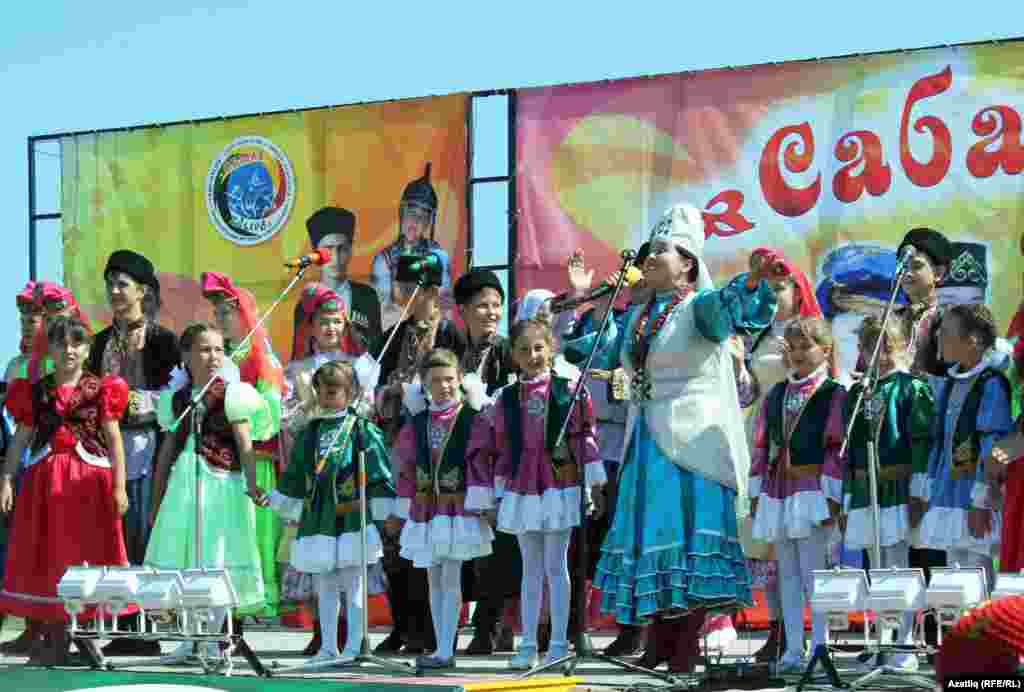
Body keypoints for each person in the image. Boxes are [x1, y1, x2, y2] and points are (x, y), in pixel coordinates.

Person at [581, 204, 776, 674]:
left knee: (686, 541)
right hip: (647, 438)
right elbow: (594, 352)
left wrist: (752, 281)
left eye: (662, 250)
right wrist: (588, 304)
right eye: (649, 249)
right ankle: (658, 644)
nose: (650, 257)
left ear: (688, 263)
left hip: (693, 445)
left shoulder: (699, 307)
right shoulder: (639, 314)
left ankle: (686, 646)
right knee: (652, 540)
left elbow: (731, 307)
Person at [473, 318, 605, 669]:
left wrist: (593, 483)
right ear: (513, 355)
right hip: (521, 486)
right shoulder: (505, 398)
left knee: (556, 565)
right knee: (530, 568)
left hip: (559, 483)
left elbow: (585, 436)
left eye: (538, 348)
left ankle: (558, 644)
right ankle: (528, 645)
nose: (532, 355)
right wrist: (496, 495)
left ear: (551, 348)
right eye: (524, 350)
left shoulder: (569, 390)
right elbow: (500, 448)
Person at [0, 317, 131, 666]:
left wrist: (119, 486)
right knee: (51, 555)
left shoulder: (100, 389)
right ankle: (56, 635)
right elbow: (21, 440)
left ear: (87, 350)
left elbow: (115, 440)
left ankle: (81, 635)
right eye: (61, 344)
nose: (69, 350)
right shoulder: (35, 391)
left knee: (86, 552)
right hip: (46, 484)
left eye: (76, 343)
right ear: (50, 350)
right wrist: (7, 479)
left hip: (89, 484)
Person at [146, 323, 273, 662]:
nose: (213, 356)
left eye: (218, 349)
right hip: (185, 485)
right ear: (186, 356)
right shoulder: (177, 399)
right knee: (188, 555)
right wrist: (156, 500)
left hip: (221, 485)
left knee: (217, 557)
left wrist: (252, 485)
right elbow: (167, 451)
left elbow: (245, 443)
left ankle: (216, 638)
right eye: (204, 349)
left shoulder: (233, 394)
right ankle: (190, 639)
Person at [269, 360, 398, 665]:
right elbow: (296, 471)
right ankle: (328, 647)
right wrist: (281, 498)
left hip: (352, 516)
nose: (326, 397)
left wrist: (385, 510)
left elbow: (379, 470)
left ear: (350, 392)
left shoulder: (362, 429)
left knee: (353, 583)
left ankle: (354, 646)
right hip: (319, 518)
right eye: (321, 391)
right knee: (324, 584)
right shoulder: (310, 431)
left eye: (333, 391)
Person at [86, 250, 180, 657]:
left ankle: (145, 628)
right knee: (115, 537)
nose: (114, 291)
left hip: (146, 447)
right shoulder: (99, 342)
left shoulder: (163, 341)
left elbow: (180, 395)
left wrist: (150, 402)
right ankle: (122, 624)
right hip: (105, 449)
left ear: (142, 291)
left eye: (122, 284)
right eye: (110, 284)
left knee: (142, 533)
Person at [732, 248, 823, 663]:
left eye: (780, 288)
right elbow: (746, 395)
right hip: (762, 439)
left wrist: (793, 366)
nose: (773, 295)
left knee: (805, 546)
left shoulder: (812, 336)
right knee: (769, 543)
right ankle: (780, 630)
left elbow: (823, 390)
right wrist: (738, 365)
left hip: (800, 442)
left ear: (797, 291)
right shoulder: (760, 334)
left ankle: (812, 636)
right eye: (767, 288)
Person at [373, 259, 464, 655]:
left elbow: (461, 385)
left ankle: (436, 632)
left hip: (442, 451)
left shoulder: (450, 333)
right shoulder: (393, 336)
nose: (407, 295)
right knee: (396, 538)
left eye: (414, 288)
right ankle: (402, 626)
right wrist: (392, 392)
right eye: (403, 287)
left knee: (437, 544)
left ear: (431, 291)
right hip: (399, 446)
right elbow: (373, 388)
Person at [748, 316, 846, 673]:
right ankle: (792, 649)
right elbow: (762, 445)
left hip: (812, 491)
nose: (799, 353)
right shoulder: (776, 393)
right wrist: (756, 491)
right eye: (792, 347)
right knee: (786, 573)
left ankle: (821, 648)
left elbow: (837, 448)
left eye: (807, 346)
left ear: (826, 350)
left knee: (813, 573)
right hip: (778, 491)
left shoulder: (834, 393)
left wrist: (832, 496)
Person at [282, 282, 375, 654]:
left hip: (347, 474)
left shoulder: (360, 366)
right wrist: (308, 405)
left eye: (337, 321)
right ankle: (324, 636)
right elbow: (289, 421)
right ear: (311, 327)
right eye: (323, 321)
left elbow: (367, 414)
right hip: (315, 474)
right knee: (320, 560)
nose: (331, 328)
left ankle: (353, 638)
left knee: (349, 561)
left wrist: (356, 400)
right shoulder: (298, 369)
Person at [390, 348, 495, 669]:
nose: (444, 386)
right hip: (426, 510)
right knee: (433, 578)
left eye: (449, 379)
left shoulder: (471, 419)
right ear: (424, 384)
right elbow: (406, 468)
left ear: (460, 379)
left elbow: (480, 462)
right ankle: (440, 648)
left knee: (450, 577)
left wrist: (482, 502)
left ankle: (447, 649)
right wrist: (402, 507)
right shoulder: (417, 422)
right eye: (435, 380)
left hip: (457, 509)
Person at [842, 315, 933, 671]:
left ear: (900, 347)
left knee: (899, 565)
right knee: (877, 567)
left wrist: (919, 491)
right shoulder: (857, 393)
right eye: (870, 348)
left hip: (898, 488)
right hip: (866, 491)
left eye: (886, 347)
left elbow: (922, 443)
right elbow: (850, 453)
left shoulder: (912, 388)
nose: (879, 356)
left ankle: (905, 644)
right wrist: (847, 499)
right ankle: (883, 641)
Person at [201, 272, 285, 622]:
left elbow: (271, 416)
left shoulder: (260, 358)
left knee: (252, 536)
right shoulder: (217, 356)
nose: (221, 319)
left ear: (244, 313)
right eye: (217, 313)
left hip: (254, 459)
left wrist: (240, 406)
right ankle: (223, 613)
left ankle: (255, 605)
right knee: (224, 538)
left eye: (227, 312)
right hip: (217, 462)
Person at [913, 304, 1011, 587]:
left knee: (976, 574)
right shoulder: (952, 382)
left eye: (946, 332)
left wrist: (981, 501)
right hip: (948, 493)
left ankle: (985, 617)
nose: (938, 338)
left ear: (973, 340)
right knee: (954, 581)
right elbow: (941, 442)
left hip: (972, 495)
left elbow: (992, 444)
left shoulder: (990, 384)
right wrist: (928, 489)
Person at [452, 269, 521, 654]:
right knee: (469, 544)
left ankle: (493, 625)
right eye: (482, 306)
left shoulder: (508, 351)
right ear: (463, 310)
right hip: (463, 460)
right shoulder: (457, 354)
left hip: (498, 461)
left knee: (499, 545)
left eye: (496, 305)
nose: (492, 312)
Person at [372, 164, 452, 331]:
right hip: (396, 333)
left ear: (429, 222)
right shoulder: (384, 259)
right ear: (402, 213)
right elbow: (383, 311)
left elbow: (444, 306)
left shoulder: (438, 255)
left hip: (432, 332)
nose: (415, 221)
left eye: (423, 217)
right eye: (412, 213)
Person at [295, 207, 384, 355]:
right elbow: (299, 357)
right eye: (328, 249)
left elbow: (378, 350)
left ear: (350, 250)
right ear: (315, 253)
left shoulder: (367, 297)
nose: (335, 258)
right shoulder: (305, 304)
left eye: (342, 249)